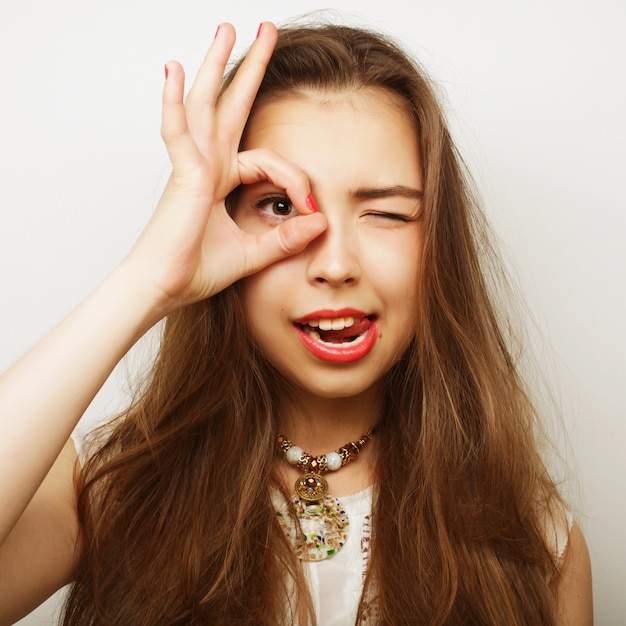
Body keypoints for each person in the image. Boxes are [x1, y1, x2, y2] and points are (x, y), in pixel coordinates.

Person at [0, 19, 592, 626]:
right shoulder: (111, 485)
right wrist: (148, 281)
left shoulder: (534, 543)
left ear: (439, 245)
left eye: (385, 213)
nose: (335, 265)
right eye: (279, 206)